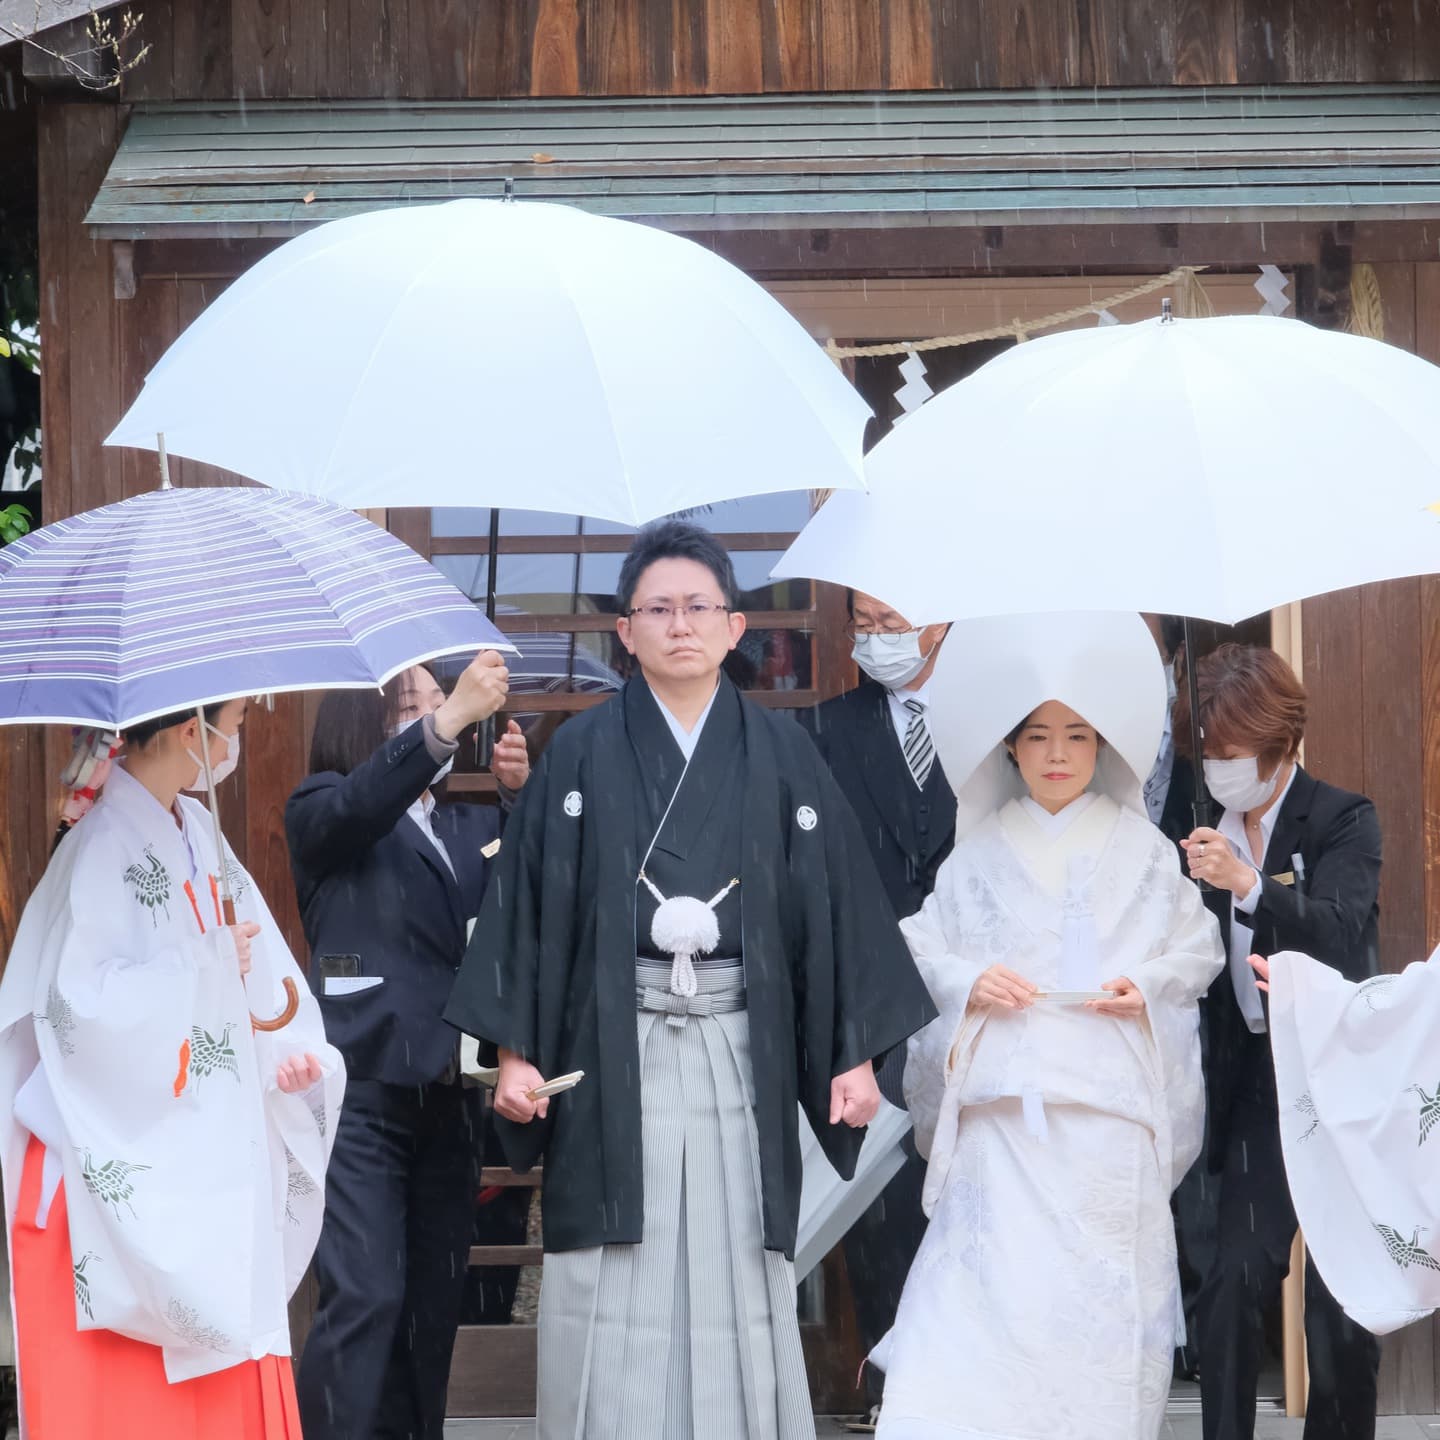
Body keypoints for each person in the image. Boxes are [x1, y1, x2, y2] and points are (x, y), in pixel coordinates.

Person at [443, 519, 936, 1440]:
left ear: (734, 627)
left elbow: (835, 909)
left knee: (733, 1253)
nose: (680, 625)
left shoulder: (783, 754)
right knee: (610, 1261)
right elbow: (530, 904)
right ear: (624, 632)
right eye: (658, 609)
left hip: (738, 1044)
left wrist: (855, 1056)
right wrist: (515, 1052)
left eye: (698, 607)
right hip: (608, 1044)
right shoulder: (580, 757)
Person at [874, 611, 1224, 1440]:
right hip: (1005, 1125)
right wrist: (970, 981)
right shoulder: (978, 854)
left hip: (1108, 1126)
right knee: (979, 1317)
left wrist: (1145, 982)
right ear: (1011, 749)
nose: (1058, 755)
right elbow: (919, 947)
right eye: (1037, 738)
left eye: (1075, 735)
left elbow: (1198, 945)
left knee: (1100, 1327)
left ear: (1101, 745)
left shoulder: (1145, 852)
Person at [0, 698, 342, 1439]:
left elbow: (262, 995)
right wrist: (204, 963)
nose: (237, 742)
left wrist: (282, 1059)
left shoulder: (200, 832)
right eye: (238, 725)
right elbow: (80, 1013)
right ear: (195, 731)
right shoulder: (97, 847)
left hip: (201, 1152)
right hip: (110, 1173)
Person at [288, 651, 527, 1440]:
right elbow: (362, 805)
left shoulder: (467, 822)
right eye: (407, 708)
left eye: (440, 700)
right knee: (363, 1298)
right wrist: (449, 720)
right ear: (361, 722)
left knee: (431, 1306)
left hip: (447, 1096)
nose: (433, 715)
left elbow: (522, 908)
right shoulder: (322, 806)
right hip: (360, 1097)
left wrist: (518, 802)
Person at [1175, 643, 1382, 1440]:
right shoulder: (1194, 832)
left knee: (1339, 1310)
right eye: (1209, 751)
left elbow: (1340, 928)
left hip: (1336, 1076)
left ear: (1278, 744)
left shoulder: (1344, 818)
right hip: (1254, 1083)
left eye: (1233, 753)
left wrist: (1251, 886)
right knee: (1230, 1280)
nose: (1220, 767)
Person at [800, 589, 955, 1417]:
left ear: (941, 620)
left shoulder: (995, 725)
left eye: (892, 622)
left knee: (973, 1199)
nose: (876, 638)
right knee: (881, 1202)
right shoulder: (820, 732)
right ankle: (893, 1398)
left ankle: (970, 1394)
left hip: (978, 998)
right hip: (869, 994)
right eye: (863, 623)